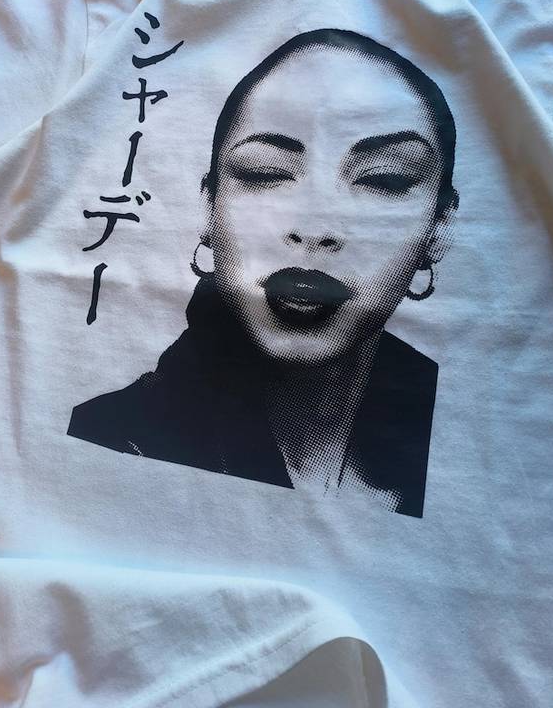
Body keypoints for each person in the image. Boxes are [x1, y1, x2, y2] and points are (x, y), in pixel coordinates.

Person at [67, 27, 460, 518]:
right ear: (209, 208)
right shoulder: (111, 439)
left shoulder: (468, 444)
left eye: (384, 180)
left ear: (439, 229)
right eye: (264, 173)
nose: (314, 228)